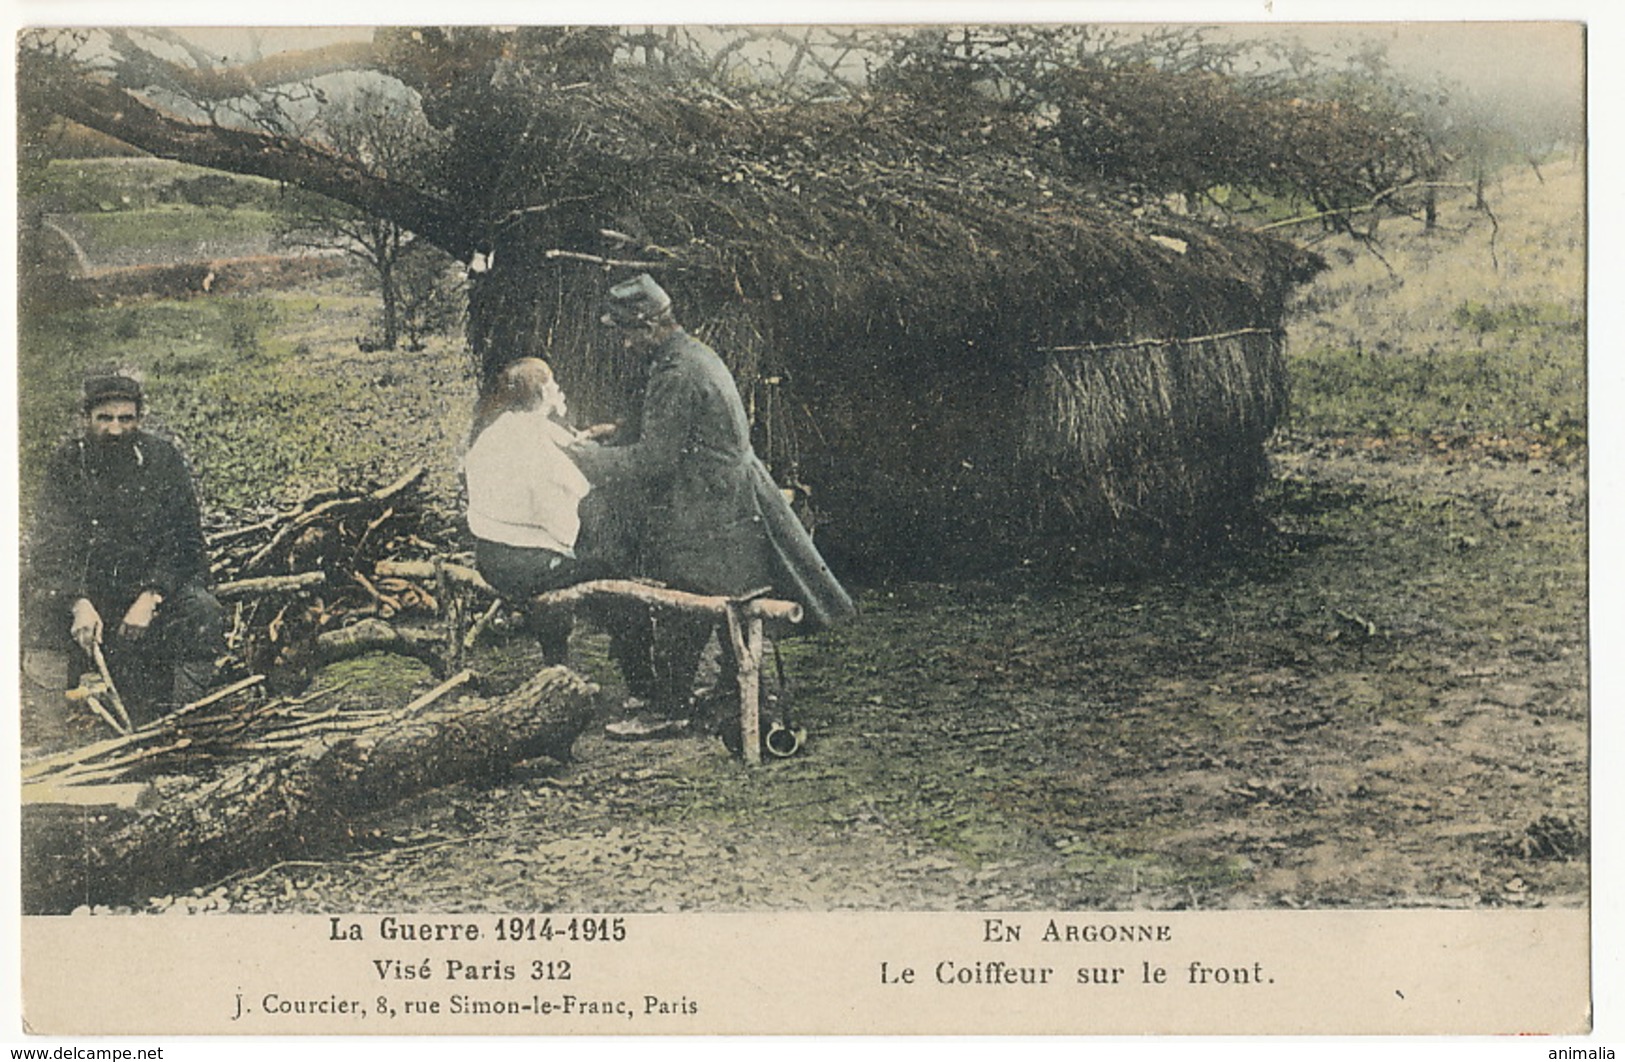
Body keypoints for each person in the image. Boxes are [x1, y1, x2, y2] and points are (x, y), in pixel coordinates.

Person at [568, 273, 857, 740]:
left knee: (688, 598)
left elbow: (656, 461)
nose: (622, 345)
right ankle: (732, 688)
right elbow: (681, 433)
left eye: (624, 334)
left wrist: (587, 458)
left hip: (707, 507)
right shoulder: (693, 355)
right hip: (727, 499)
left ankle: (669, 707)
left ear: (647, 327)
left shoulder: (675, 373)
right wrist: (617, 433)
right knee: (728, 597)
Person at [21, 372, 225, 735]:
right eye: (105, 418)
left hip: (147, 603)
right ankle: (49, 738)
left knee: (202, 610)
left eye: (125, 419)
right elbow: (51, 545)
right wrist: (76, 600)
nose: (115, 430)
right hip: (88, 608)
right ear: (85, 419)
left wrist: (152, 595)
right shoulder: (67, 465)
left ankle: (184, 725)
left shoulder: (162, 460)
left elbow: (185, 539)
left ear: (139, 419)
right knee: (38, 610)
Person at [462, 357, 595, 664]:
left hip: (489, 555)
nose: (559, 389)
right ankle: (564, 665)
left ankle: (556, 659)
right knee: (609, 563)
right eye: (553, 384)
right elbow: (561, 522)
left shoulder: (497, 431)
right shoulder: (534, 447)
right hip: (522, 564)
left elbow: (564, 443)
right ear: (542, 393)